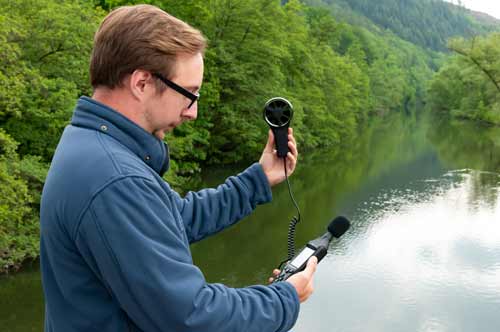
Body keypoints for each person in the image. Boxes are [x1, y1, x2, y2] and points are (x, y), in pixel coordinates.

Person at [40, 4, 317, 332]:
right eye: (190, 93)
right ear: (142, 83)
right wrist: (284, 298)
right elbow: (190, 316)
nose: (193, 112)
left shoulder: (91, 147)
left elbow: (176, 218)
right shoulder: (115, 178)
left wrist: (259, 178)